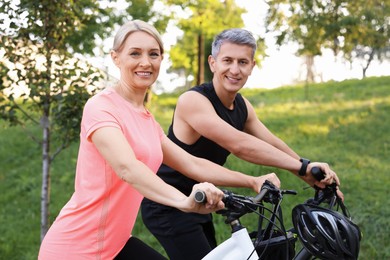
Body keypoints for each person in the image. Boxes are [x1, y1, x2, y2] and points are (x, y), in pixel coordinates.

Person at [37, 20, 271, 260]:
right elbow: (128, 168)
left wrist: (252, 181)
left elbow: (192, 164)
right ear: (116, 58)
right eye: (135, 53)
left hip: (115, 245)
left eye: (153, 54)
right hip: (74, 249)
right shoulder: (101, 107)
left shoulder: (147, 121)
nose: (145, 62)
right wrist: (183, 201)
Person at [141, 28, 343, 260]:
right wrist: (301, 167)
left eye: (242, 62)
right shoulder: (193, 101)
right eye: (227, 60)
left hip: (205, 198)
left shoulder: (242, 106)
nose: (235, 70)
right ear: (213, 63)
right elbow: (240, 144)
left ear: (252, 66)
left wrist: (308, 170)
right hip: (168, 203)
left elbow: (271, 142)